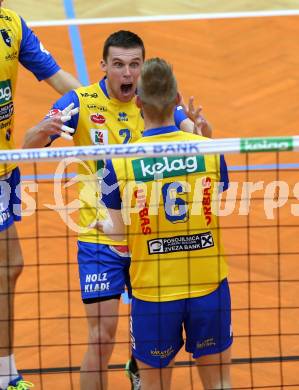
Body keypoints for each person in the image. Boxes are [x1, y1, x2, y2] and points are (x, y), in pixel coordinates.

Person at [23, 30, 212, 390]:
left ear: (143, 68)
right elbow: (28, 145)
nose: (127, 74)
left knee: (155, 343)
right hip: (99, 236)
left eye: (135, 65)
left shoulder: (157, 102)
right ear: (104, 66)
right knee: (101, 337)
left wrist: (202, 130)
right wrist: (40, 131)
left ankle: (139, 368)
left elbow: (200, 139)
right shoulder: (79, 102)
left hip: (147, 235)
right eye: (119, 65)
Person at [97, 57, 232, 390]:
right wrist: (202, 136)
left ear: (138, 102)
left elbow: (120, 238)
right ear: (177, 99)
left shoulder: (118, 164)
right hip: (209, 285)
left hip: (154, 293)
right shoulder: (211, 151)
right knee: (219, 384)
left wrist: (102, 226)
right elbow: (214, 199)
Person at [0, 3, 81, 390]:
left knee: (9, 266)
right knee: (8, 265)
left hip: (4, 166)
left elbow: (59, 78)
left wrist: (103, 103)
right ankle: (4, 375)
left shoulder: (11, 24)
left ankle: (5, 372)